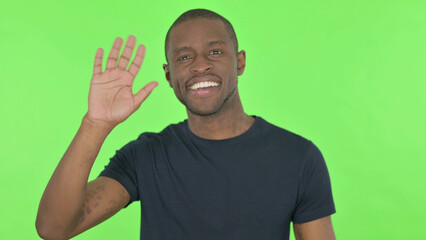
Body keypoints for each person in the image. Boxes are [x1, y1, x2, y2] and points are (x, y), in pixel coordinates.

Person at [36, 9, 336, 240]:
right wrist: (96, 124)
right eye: (184, 57)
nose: (199, 65)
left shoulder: (298, 157)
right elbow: (54, 228)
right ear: (169, 76)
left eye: (215, 52)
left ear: (240, 62)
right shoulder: (146, 155)